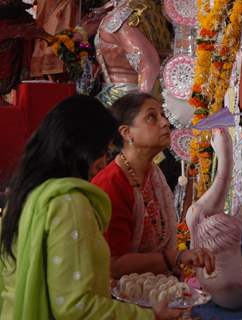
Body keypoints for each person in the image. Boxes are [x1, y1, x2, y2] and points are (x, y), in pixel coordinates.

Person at [0, 95, 183, 319]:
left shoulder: (26, 194)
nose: (104, 160)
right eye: (103, 150)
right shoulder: (68, 203)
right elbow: (75, 307)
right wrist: (148, 316)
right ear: (82, 147)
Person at [92, 93, 215, 279]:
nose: (165, 123)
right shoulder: (111, 184)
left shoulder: (153, 173)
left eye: (163, 115)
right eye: (151, 117)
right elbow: (113, 264)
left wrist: (178, 258)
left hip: (156, 286)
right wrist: (174, 258)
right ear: (126, 133)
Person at [94, 0, 171, 107]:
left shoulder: (120, 19)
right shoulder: (148, 14)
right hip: (142, 95)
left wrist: (141, 107)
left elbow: (149, 64)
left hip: (124, 102)